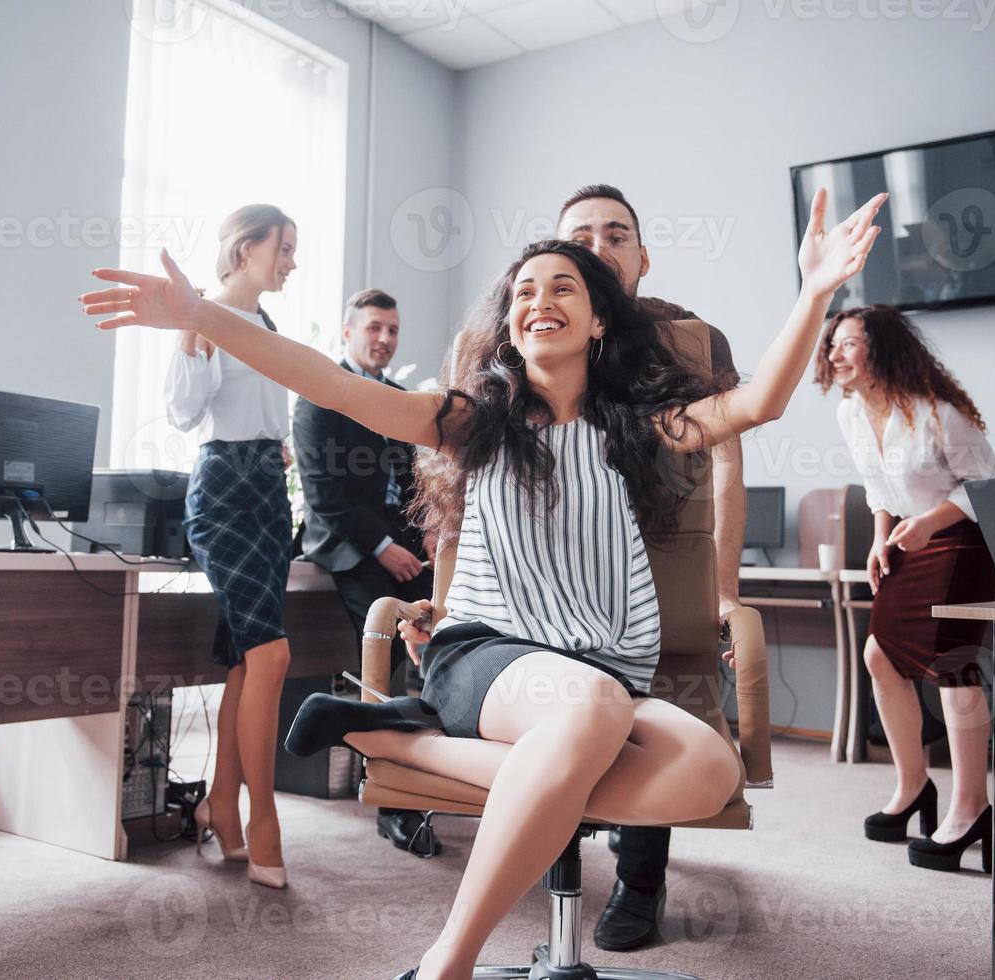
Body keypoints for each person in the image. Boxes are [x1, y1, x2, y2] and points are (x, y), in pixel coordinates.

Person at [82, 187, 885, 980]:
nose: (542, 299)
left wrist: (816, 291)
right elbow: (331, 386)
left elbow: (759, 404)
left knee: (708, 770)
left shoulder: (638, 427)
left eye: (564, 286)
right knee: (593, 712)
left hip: (601, 671)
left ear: (599, 319)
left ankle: (399, 737)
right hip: (490, 655)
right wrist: (203, 316)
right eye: (525, 291)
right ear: (510, 325)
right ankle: (449, 961)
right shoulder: (471, 421)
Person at [450, 182, 749, 950]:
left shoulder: (685, 344)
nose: (600, 245)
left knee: (637, 692)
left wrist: (721, 587)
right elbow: (465, 491)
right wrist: (443, 596)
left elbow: (727, 461)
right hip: (537, 564)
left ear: (641, 257)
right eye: (582, 235)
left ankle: (639, 885)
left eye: (616, 234)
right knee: (574, 703)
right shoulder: (524, 345)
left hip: (654, 545)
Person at [815, 304, 995, 872]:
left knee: (954, 665)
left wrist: (925, 524)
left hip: (964, 542)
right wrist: (879, 538)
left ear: (883, 350)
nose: (834, 354)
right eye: (832, 345)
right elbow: (878, 486)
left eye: (848, 344)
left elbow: (988, 487)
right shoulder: (851, 412)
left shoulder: (938, 411)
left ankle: (972, 809)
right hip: (906, 540)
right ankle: (914, 788)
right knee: (880, 657)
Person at [164, 203, 298, 889]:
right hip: (223, 489)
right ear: (248, 248)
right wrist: (191, 332)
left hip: (270, 493)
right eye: (285, 248)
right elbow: (185, 414)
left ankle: (221, 805)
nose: (292, 262)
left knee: (250, 661)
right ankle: (264, 818)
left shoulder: (269, 325)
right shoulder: (208, 316)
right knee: (272, 655)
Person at [292, 288, 441, 858]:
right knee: (389, 655)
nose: (384, 339)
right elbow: (323, 496)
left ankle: (447, 775)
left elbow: (416, 482)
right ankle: (394, 803)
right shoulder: (318, 398)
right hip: (350, 548)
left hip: (405, 547)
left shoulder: (399, 400)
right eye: (374, 327)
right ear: (347, 332)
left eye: (393, 330)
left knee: (449, 636)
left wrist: (427, 529)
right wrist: (383, 547)